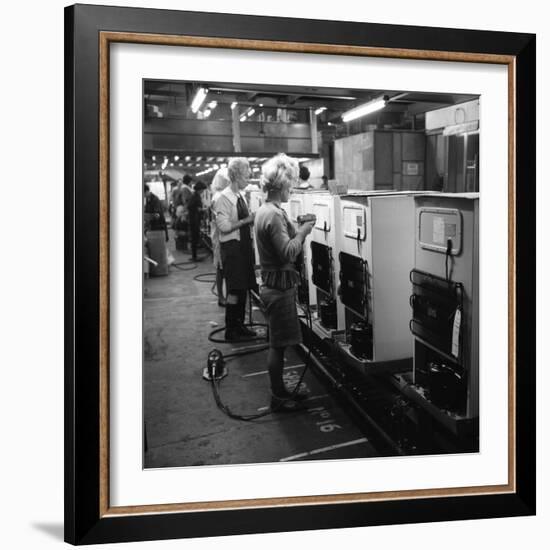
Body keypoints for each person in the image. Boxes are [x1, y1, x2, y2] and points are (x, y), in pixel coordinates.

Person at [254, 154, 315, 411]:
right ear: (281, 184)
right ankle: (278, 397)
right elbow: (288, 252)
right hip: (278, 289)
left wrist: (296, 225)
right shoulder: (274, 215)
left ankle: (281, 391)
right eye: (290, 183)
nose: (292, 188)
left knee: (278, 344)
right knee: (277, 346)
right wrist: (303, 232)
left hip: (273, 285)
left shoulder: (266, 210)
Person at [214, 158, 257, 341]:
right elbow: (223, 226)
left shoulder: (239, 196)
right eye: (247, 173)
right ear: (237, 175)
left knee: (242, 289)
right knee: (234, 291)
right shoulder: (223, 198)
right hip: (232, 250)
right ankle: (231, 328)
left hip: (243, 248)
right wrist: (247, 220)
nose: (249, 177)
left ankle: (239, 325)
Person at [210, 168, 231, 306]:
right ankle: (222, 297)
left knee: (223, 268)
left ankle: (225, 296)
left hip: (220, 235)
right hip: (220, 236)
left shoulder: (219, 195)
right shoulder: (219, 197)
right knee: (221, 268)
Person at [187, 180, 207, 261]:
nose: (203, 191)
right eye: (202, 190)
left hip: (192, 219)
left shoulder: (193, 195)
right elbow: (198, 209)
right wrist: (205, 209)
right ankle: (194, 257)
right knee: (195, 238)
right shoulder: (197, 197)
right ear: (200, 189)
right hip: (195, 220)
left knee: (194, 238)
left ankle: (194, 256)